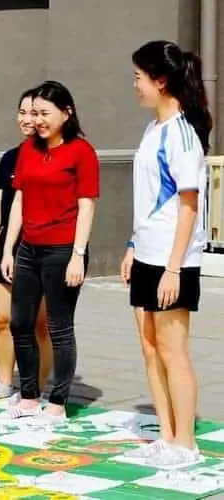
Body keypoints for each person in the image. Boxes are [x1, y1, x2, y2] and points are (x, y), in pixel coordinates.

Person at [120, 40, 212, 467]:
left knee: (174, 350)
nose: (134, 85)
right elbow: (148, 196)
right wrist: (133, 247)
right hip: (146, 253)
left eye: (139, 77)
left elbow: (189, 207)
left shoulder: (182, 134)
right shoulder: (151, 129)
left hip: (174, 260)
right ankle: (167, 433)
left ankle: (186, 444)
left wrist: (174, 268)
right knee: (149, 345)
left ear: (161, 81)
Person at [1, 80, 100, 422]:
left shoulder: (81, 151)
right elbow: (19, 199)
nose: (38, 120)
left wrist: (78, 254)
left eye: (45, 113)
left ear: (66, 113)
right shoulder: (28, 148)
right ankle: (28, 395)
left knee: (59, 327)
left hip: (63, 251)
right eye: (34, 113)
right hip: (28, 248)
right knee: (20, 323)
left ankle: (57, 401)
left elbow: (86, 206)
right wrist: (8, 249)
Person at [0, 88, 52, 402]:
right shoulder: (11, 156)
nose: (26, 119)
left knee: (39, 323)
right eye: (22, 112)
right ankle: (4, 382)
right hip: (7, 248)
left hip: (40, 248)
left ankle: (36, 385)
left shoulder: (52, 155)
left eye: (34, 113)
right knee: (2, 319)